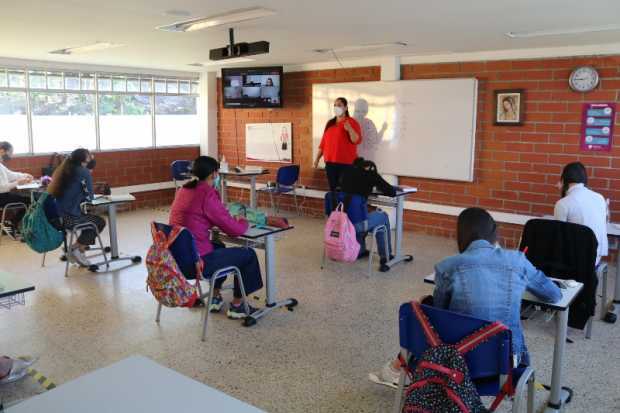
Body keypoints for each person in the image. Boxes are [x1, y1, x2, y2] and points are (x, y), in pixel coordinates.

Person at [369, 207, 562, 388]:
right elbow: (554, 295)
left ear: (460, 235)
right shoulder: (517, 260)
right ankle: (396, 367)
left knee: (424, 311)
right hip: (507, 363)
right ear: (494, 234)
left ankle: (397, 368)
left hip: (457, 362)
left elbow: (440, 312)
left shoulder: (447, 265)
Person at [169, 156, 263, 319]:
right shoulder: (207, 194)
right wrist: (243, 221)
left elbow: (196, 216)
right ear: (214, 174)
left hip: (177, 260)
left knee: (218, 246)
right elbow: (233, 230)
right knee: (248, 255)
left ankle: (215, 295)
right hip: (197, 263)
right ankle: (237, 305)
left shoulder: (183, 190)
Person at [47, 149, 105, 267]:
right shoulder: (83, 172)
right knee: (99, 221)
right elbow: (90, 197)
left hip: (59, 216)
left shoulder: (64, 169)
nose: (92, 158)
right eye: (90, 156)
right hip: (70, 217)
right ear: (85, 159)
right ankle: (76, 249)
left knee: (90, 221)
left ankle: (76, 250)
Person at [340, 157, 395, 272]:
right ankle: (386, 255)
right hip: (358, 225)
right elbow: (391, 192)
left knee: (356, 214)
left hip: (341, 224)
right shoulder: (371, 175)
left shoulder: (346, 173)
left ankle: (360, 250)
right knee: (382, 216)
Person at [554, 162, 608, 264]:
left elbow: (558, 238)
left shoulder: (563, 203)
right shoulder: (600, 197)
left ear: (564, 179)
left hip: (575, 260)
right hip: (596, 258)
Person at [314, 97, 362, 191]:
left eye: (339, 105)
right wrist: (317, 159)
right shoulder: (330, 123)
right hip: (330, 164)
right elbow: (323, 143)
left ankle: (343, 206)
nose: (336, 107)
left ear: (346, 107)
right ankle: (335, 206)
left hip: (346, 164)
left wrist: (350, 129)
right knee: (333, 191)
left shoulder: (352, 122)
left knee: (345, 192)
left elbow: (356, 140)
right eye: (335, 105)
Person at [0, 141, 33, 235]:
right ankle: (14, 222)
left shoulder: (0, 165)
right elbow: (2, 188)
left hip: (4, 195)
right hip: (2, 196)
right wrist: (18, 182)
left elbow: (11, 175)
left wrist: (25, 175)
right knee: (31, 200)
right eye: (10, 152)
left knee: (27, 198)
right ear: (2, 151)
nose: (11, 155)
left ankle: (12, 222)